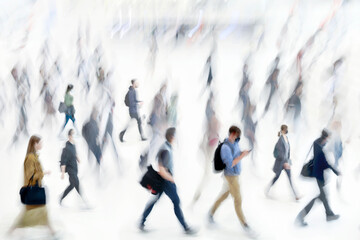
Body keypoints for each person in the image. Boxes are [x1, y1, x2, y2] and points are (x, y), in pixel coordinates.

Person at [139, 128, 197, 235]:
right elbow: (161, 169)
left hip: (162, 181)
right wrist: (171, 179)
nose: (176, 137)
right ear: (172, 137)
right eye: (175, 135)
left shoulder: (166, 146)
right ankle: (185, 227)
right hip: (166, 181)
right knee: (176, 202)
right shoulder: (165, 150)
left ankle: (141, 221)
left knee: (154, 200)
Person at [209, 126, 257, 238]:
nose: (237, 138)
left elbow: (236, 154)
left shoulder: (235, 143)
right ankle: (245, 226)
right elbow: (231, 163)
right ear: (231, 134)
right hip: (231, 177)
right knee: (238, 200)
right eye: (236, 136)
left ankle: (210, 214)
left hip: (235, 175)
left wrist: (242, 152)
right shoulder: (225, 148)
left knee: (224, 195)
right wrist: (242, 156)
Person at [8, 135, 57, 238]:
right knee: (30, 213)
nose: (41, 145)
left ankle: (51, 231)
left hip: (35, 188)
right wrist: (44, 173)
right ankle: (12, 230)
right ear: (35, 144)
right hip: (33, 189)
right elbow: (30, 176)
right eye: (40, 143)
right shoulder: (30, 158)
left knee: (41, 211)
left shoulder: (34, 156)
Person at [295, 129, 340, 226]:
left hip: (318, 174)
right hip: (319, 176)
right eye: (328, 138)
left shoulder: (317, 143)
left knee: (323, 196)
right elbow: (325, 163)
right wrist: (336, 171)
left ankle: (329, 214)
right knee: (320, 197)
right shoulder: (320, 149)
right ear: (325, 137)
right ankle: (300, 216)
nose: (328, 140)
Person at [266, 125, 299, 200]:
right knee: (277, 177)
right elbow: (281, 153)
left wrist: (288, 161)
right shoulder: (280, 140)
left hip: (286, 162)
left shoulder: (286, 138)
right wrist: (285, 162)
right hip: (281, 163)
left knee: (290, 178)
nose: (287, 130)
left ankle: (296, 195)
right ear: (283, 130)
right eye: (286, 129)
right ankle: (267, 189)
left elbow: (287, 152)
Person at [60, 129, 85, 206]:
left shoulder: (73, 145)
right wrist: (63, 173)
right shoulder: (66, 148)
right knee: (77, 184)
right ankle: (84, 201)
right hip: (71, 170)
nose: (73, 136)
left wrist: (78, 159)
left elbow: (75, 154)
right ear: (69, 136)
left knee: (72, 185)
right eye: (72, 135)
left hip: (75, 168)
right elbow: (63, 161)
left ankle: (60, 198)